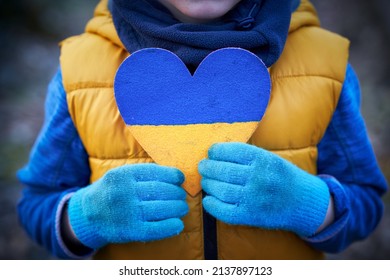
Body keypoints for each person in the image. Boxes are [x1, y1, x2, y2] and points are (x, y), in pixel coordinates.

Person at [17, 0, 388, 260]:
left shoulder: (325, 64)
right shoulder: (79, 70)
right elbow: (36, 206)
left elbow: (367, 204)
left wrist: (309, 205)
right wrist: (87, 217)